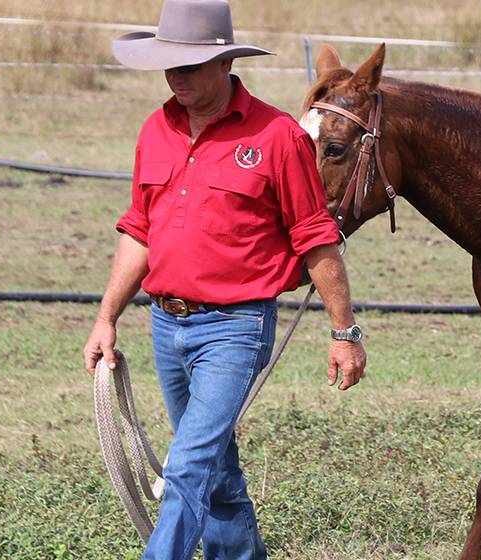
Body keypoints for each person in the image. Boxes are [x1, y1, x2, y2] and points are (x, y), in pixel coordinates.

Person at [82, 1, 367, 558]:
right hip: (167, 324)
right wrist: (105, 318)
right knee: (215, 472)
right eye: (169, 64)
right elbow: (139, 230)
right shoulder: (156, 129)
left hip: (235, 328)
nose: (176, 77)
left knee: (187, 467)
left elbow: (315, 235)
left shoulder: (277, 136)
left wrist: (344, 331)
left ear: (223, 64)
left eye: (189, 65)